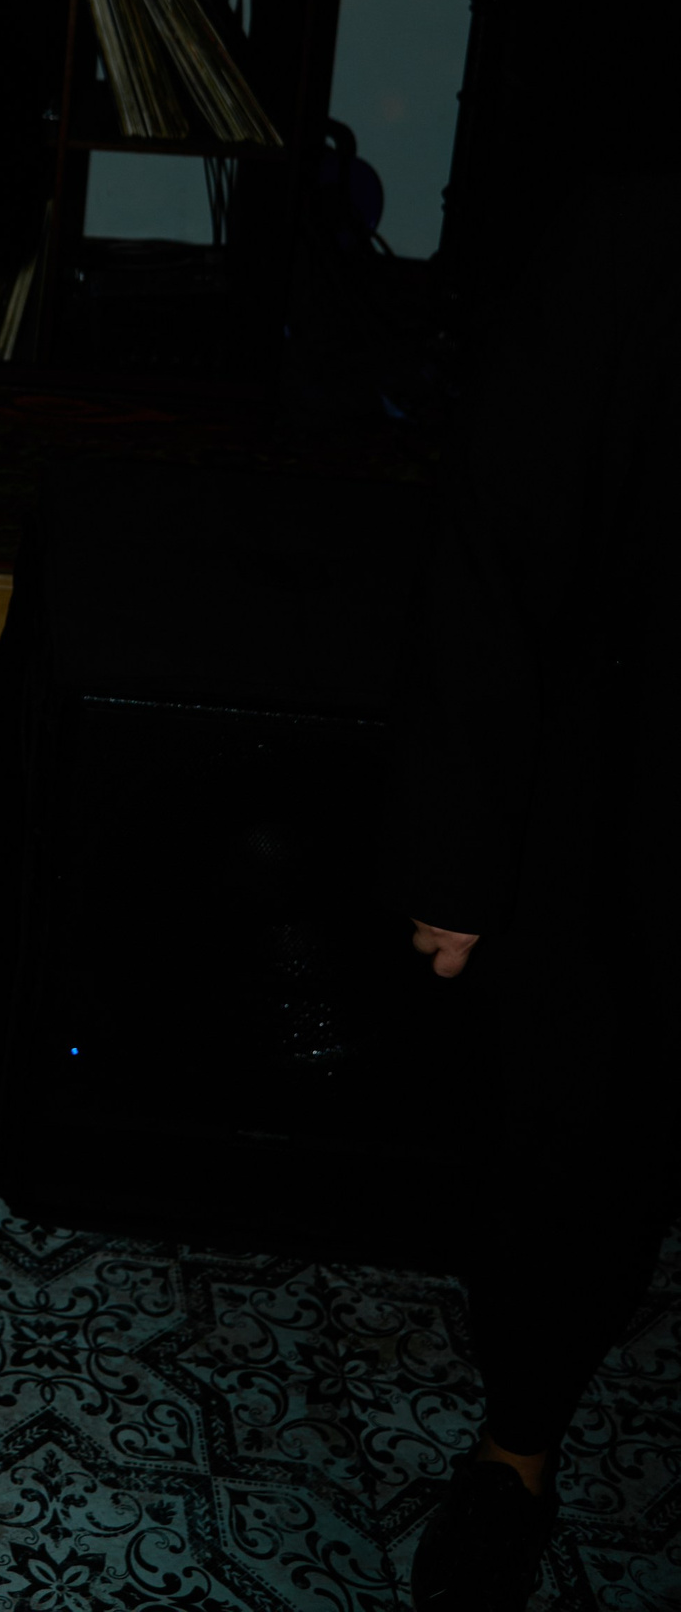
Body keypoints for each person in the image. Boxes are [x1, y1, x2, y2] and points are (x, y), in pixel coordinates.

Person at [392, 177, 681, 1612]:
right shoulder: (637, 231)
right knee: (579, 1144)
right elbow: (502, 534)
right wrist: (461, 857)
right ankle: (520, 1445)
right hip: (626, 804)